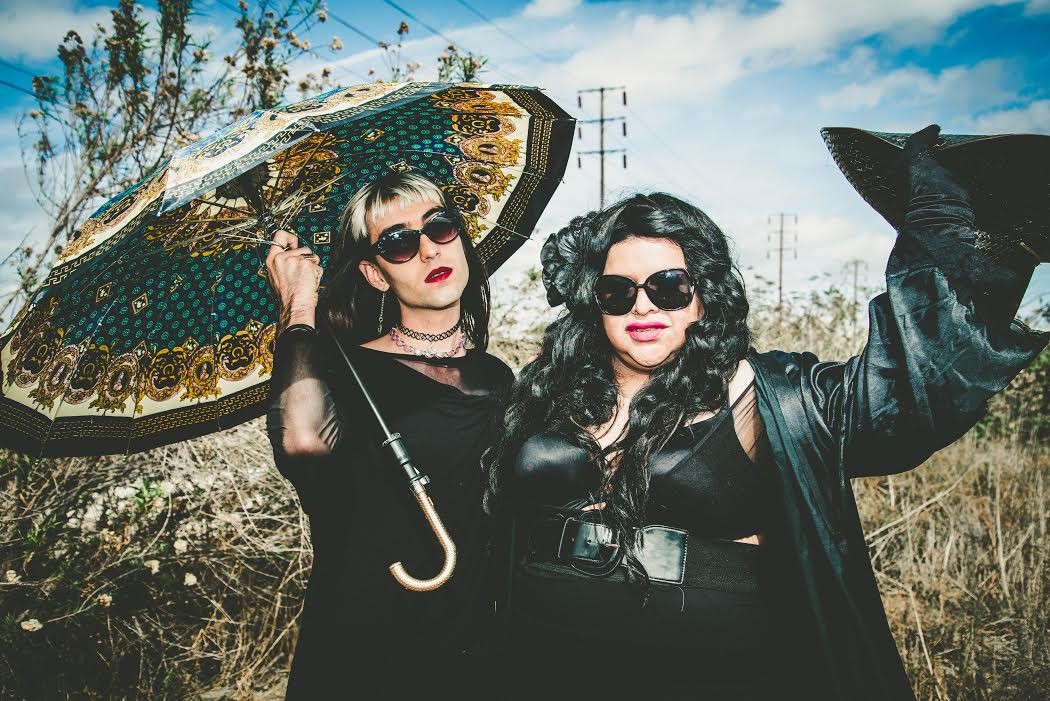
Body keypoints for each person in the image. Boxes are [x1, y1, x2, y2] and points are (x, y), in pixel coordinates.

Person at [482, 126, 1047, 699]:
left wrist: (941, 213)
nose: (644, 305)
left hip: (704, 674)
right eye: (618, 291)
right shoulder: (548, 390)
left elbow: (910, 389)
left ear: (704, 298)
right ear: (594, 303)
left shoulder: (763, 394)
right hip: (542, 662)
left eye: (669, 287)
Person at [265, 172, 513, 698]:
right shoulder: (342, 374)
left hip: (475, 649)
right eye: (399, 243)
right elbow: (302, 440)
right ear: (375, 274)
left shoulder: (496, 377)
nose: (428, 249)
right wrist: (298, 306)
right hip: (369, 652)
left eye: (439, 226)